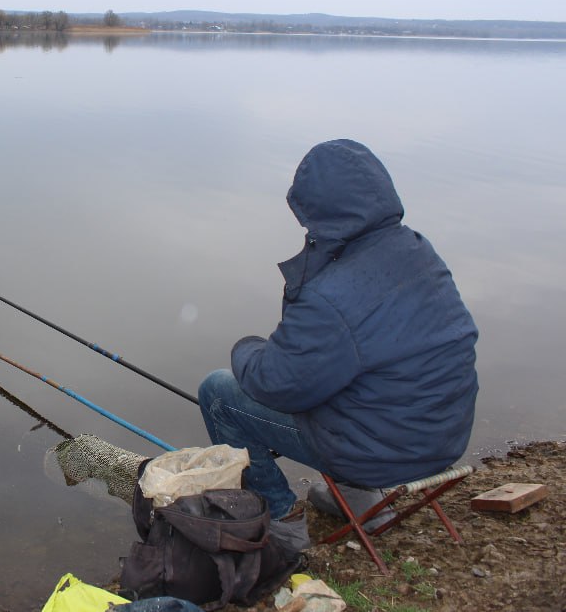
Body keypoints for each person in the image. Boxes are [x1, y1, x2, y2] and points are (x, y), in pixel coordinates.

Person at [198, 139, 478, 554]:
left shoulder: (333, 294)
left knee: (219, 392)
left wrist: (247, 347)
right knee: (353, 375)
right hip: (444, 439)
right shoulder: (419, 251)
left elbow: (274, 383)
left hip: (382, 454)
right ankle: (368, 502)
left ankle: (280, 521)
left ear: (317, 209)